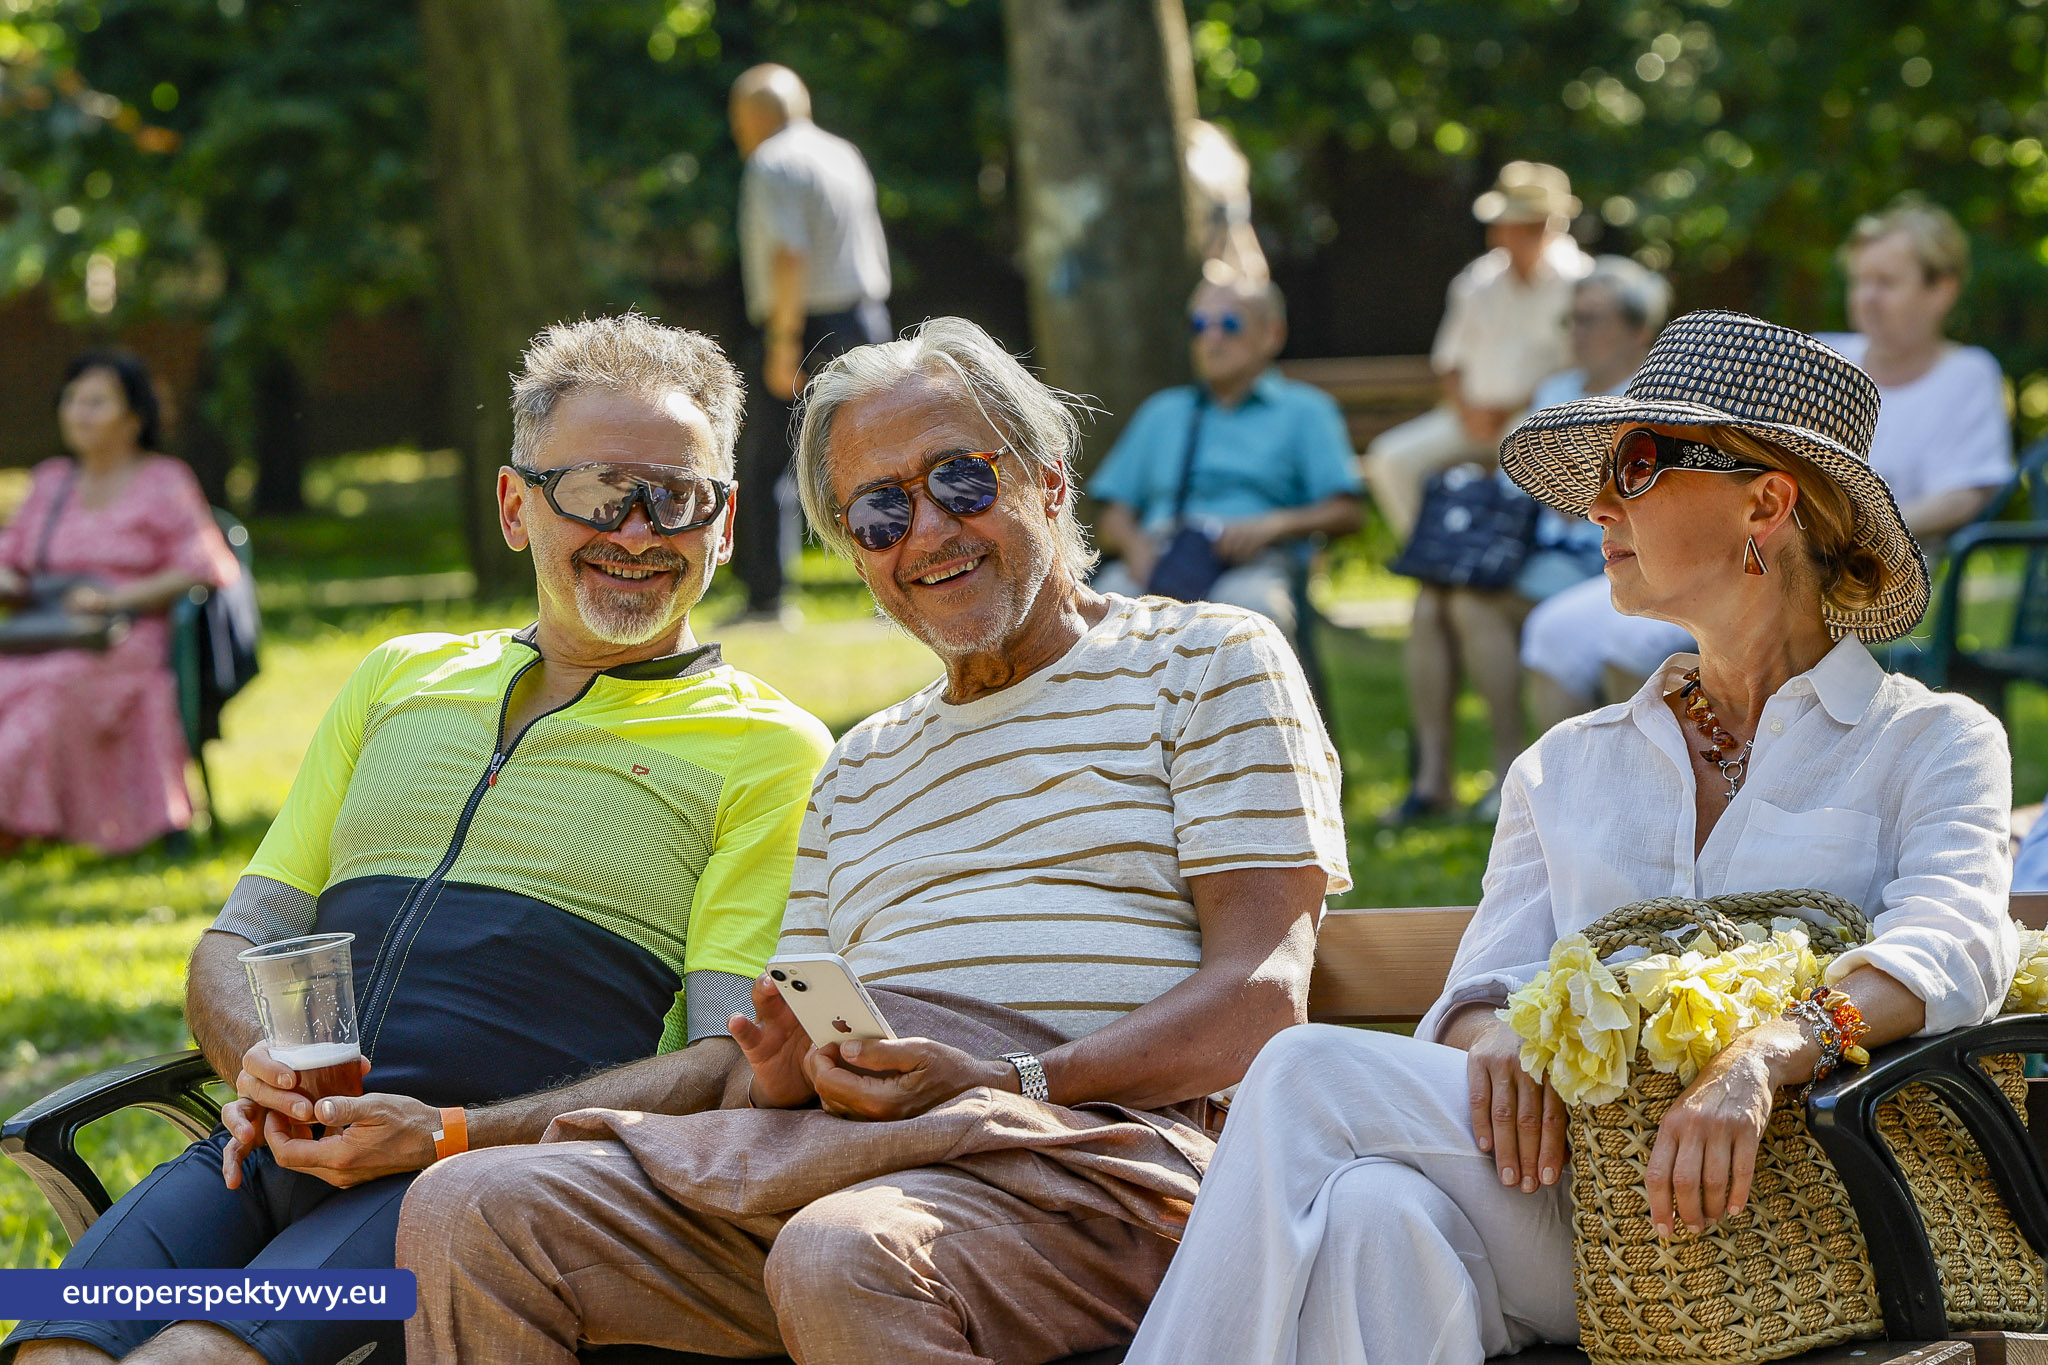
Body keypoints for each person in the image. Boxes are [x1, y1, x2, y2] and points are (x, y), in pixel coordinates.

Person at [397, 317, 1351, 1365]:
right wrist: (785, 1068)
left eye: (959, 480)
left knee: (844, 1255)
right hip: (854, 1158)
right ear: (853, 550)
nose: (928, 532)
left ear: (1047, 481)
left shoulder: (1204, 661)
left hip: (1100, 1168)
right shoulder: (857, 765)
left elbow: (1261, 1001)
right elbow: (794, 1046)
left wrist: (1011, 1080)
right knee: (471, 1206)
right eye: (880, 510)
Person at [1125, 310, 2016, 1364]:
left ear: (1764, 503)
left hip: (1802, 1213)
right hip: (1590, 1219)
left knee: (1302, 1081)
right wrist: (1493, 1031)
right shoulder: (1564, 763)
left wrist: (1765, 1054)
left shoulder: (1928, 739)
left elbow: (1956, 942)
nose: (1596, 503)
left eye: (1634, 466)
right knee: (1372, 1213)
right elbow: (1481, 989)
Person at [4, 315, 833, 1365]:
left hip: (472, 1185)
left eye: (675, 497)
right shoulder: (398, 677)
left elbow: (721, 1066)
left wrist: (444, 1135)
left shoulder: (770, 751)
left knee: (196, 1361)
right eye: (594, 490)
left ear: (720, 527)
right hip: (259, 1148)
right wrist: (252, 1061)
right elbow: (235, 940)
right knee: (54, 1352)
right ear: (514, 506)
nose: (636, 531)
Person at [1390, 257, 1672, 823]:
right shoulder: (1556, 389)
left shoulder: (1653, 398)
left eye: (1592, 320)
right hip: (1529, 547)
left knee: (1471, 605)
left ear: (1639, 331)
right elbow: (1518, 472)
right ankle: (1433, 779)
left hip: (1595, 556)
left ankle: (1508, 770)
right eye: (1571, 320)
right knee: (1430, 602)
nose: (1576, 333)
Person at [0, 351, 238, 855]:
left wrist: (115, 599)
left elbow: (206, 565)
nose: (79, 412)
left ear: (135, 418)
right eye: (72, 400)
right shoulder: (50, 480)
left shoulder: (164, 480)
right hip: (43, 629)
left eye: (96, 401)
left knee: (50, 687)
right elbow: (13, 559)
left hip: (127, 637)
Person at [1090, 273, 1363, 643]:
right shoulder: (1162, 412)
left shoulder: (1306, 411)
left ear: (1272, 334)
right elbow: (1113, 515)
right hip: (1161, 556)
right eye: (1200, 325)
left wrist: (1273, 525)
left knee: (1250, 618)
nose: (1212, 339)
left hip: (1253, 565)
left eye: (1230, 324)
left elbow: (1347, 512)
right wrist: (1138, 549)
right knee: (1099, 614)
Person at [728, 62, 894, 625]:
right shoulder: (842, 153)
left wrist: (782, 342)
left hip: (806, 324)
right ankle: (898, 588)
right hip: (865, 319)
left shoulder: (772, 162)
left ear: (753, 116)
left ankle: (767, 599)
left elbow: (789, 254)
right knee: (879, 458)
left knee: (768, 461)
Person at [1363, 161, 1592, 539]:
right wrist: (1468, 411)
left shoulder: (1582, 284)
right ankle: (1438, 557)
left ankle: (1505, 565)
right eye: (1507, 222)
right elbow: (1449, 363)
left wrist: (1512, 408)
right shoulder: (1476, 282)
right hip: (1470, 417)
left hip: (1543, 422)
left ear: (1547, 224)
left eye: (1523, 222)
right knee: (1391, 458)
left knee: (1519, 464)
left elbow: (1582, 372)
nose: (1507, 232)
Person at [1817, 196, 2012, 552]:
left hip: (1899, 573)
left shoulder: (1968, 374)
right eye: (1859, 281)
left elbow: (1965, 496)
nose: (1866, 298)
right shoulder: (1822, 358)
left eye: (1886, 283)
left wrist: (1859, 531)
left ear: (1941, 291)